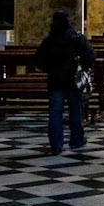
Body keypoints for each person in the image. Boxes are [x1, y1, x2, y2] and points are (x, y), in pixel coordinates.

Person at [33, 9, 94, 156]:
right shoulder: (77, 39)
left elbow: (39, 62)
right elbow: (90, 56)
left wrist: (51, 69)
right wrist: (81, 68)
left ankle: (56, 144)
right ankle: (76, 140)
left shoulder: (49, 41)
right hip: (73, 81)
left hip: (55, 82)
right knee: (75, 112)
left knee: (55, 113)